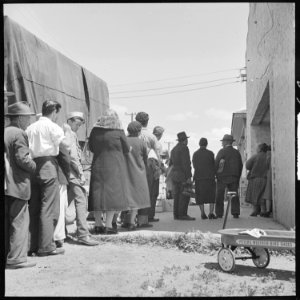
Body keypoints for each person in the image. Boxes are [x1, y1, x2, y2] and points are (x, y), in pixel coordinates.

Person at [26, 99, 69, 256]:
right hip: (48, 165)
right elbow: (66, 146)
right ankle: (46, 246)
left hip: (32, 166)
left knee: (34, 207)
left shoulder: (30, 127)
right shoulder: (53, 126)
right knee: (48, 206)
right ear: (54, 111)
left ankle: (31, 246)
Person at [88, 109, 131, 234]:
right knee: (112, 196)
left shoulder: (95, 131)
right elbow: (127, 149)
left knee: (97, 195)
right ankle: (108, 226)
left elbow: (91, 147)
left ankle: (97, 224)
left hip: (98, 166)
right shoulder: (119, 132)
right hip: (114, 167)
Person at [5, 102, 37, 268]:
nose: (29, 121)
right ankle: (16, 258)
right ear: (18, 118)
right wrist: (34, 165)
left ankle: (7, 256)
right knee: (19, 221)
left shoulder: (5, 132)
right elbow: (22, 158)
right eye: (27, 118)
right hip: (17, 185)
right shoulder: (19, 133)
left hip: (6, 185)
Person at [64, 112, 99, 245]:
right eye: (77, 124)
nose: (78, 127)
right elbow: (73, 157)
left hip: (68, 173)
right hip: (73, 173)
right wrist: (80, 173)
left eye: (80, 125)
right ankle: (83, 234)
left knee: (65, 202)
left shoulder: (67, 132)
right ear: (70, 121)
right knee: (81, 200)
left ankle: (62, 233)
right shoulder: (69, 134)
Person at [122, 121, 151, 230]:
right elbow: (145, 158)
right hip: (138, 173)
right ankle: (131, 222)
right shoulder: (141, 143)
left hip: (124, 172)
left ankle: (121, 221)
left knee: (125, 197)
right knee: (136, 198)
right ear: (139, 131)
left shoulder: (123, 140)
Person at [135, 111, 160, 227]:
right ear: (147, 122)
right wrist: (158, 168)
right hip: (147, 165)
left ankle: (128, 219)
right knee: (147, 193)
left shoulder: (130, 134)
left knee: (132, 191)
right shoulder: (151, 136)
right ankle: (143, 220)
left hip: (133, 165)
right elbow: (158, 153)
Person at [168, 131, 195, 221]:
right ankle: (183, 214)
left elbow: (170, 163)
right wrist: (188, 176)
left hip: (174, 175)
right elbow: (186, 163)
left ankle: (176, 215)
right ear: (185, 140)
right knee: (184, 195)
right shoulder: (184, 148)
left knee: (176, 195)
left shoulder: (174, 149)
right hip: (182, 174)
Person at [215, 134, 243, 219]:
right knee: (234, 194)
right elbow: (240, 165)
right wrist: (238, 176)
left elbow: (216, 164)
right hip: (234, 177)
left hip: (222, 177)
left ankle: (219, 213)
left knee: (219, 195)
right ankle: (235, 212)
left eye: (223, 141)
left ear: (226, 142)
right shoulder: (236, 152)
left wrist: (216, 175)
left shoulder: (221, 152)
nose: (222, 143)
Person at [192, 137, 217, 220]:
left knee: (200, 195)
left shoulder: (195, 154)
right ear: (207, 144)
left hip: (199, 178)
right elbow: (214, 165)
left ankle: (202, 213)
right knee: (211, 195)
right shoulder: (211, 153)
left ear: (199, 144)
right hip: (210, 177)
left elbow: (194, 166)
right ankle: (211, 213)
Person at [245, 143, 269, 217]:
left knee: (255, 195)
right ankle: (263, 210)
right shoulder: (268, 156)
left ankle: (255, 210)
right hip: (265, 178)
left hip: (255, 178)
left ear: (260, 149)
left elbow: (247, 165)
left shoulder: (256, 156)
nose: (256, 149)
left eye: (257, 148)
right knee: (263, 195)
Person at [148, 125, 165, 222]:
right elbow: (158, 158)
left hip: (148, 168)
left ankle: (146, 215)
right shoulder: (157, 143)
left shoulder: (148, 140)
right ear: (160, 134)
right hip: (154, 170)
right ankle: (150, 215)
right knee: (153, 193)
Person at [262, 145, 272, 217]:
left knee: (268, 193)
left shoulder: (268, 155)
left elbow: (266, 165)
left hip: (269, 174)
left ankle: (268, 210)